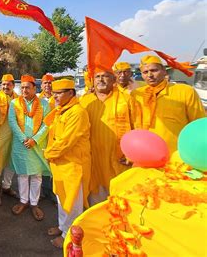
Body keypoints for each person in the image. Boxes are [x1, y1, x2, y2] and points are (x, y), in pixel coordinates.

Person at [44, 78, 91, 249]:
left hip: (73, 164)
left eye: (59, 93)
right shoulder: (62, 110)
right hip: (60, 163)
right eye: (54, 93)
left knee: (72, 203)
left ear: (71, 93)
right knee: (62, 199)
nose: (55, 96)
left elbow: (66, 142)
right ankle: (63, 227)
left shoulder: (77, 113)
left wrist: (48, 154)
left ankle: (68, 237)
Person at [79, 69, 135, 205]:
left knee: (121, 200)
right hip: (93, 159)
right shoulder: (85, 100)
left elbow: (137, 127)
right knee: (96, 202)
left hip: (119, 158)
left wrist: (132, 154)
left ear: (113, 79)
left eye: (105, 76)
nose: (101, 80)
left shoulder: (126, 99)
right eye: (97, 76)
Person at [132, 55, 205, 155]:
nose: (150, 75)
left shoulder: (185, 91)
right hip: (146, 153)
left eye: (154, 70)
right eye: (145, 72)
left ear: (164, 71)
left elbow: (199, 125)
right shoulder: (137, 95)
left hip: (177, 154)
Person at [8, 75, 51, 221]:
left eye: (28, 87)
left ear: (34, 88)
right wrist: (23, 138)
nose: (24, 90)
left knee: (36, 175)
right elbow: (12, 122)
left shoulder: (44, 104)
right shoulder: (14, 103)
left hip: (37, 145)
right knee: (22, 174)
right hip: (20, 144)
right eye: (23, 87)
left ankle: (34, 203)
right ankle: (23, 201)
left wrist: (35, 140)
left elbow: (47, 124)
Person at [0, 74, 19, 206]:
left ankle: (6, 186)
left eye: (8, 84)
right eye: (3, 84)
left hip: (15, 137)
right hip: (1, 137)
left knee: (11, 164)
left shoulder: (19, 100)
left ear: (13, 85)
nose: (6, 86)